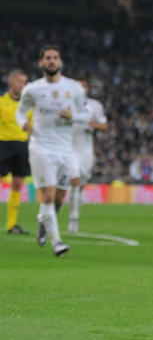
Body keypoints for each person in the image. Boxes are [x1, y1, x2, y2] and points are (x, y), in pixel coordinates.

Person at [15, 46, 92, 257]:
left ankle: (43, 220)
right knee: (47, 197)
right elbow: (20, 113)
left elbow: (87, 115)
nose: (51, 61)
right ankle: (57, 242)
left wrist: (72, 116)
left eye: (55, 58)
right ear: (41, 63)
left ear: (61, 62)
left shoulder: (74, 88)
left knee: (59, 199)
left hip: (65, 150)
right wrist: (23, 124)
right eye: (47, 58)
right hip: (41, 147)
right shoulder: (32, 89)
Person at [68, 77, 108, 233]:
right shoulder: (66, 104)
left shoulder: (95, 106)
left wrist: (92, 124)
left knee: (82, 182)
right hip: (70, 147)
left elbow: (104, 126)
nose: (81, 89)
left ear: (87, 89)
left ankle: (77, 203)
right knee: (74, 180)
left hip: (86, 149)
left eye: (83, 86)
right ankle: (74, 218)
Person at [1, 69, 30, 235]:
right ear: (11, 82)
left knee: (18, 184)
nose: (22, 85)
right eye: (19, 81)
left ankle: (12, 224)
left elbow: (33, 125)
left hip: (21, 146)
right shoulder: (1, 101)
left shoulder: (27, 105)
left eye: (25, 82)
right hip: (2, 144)